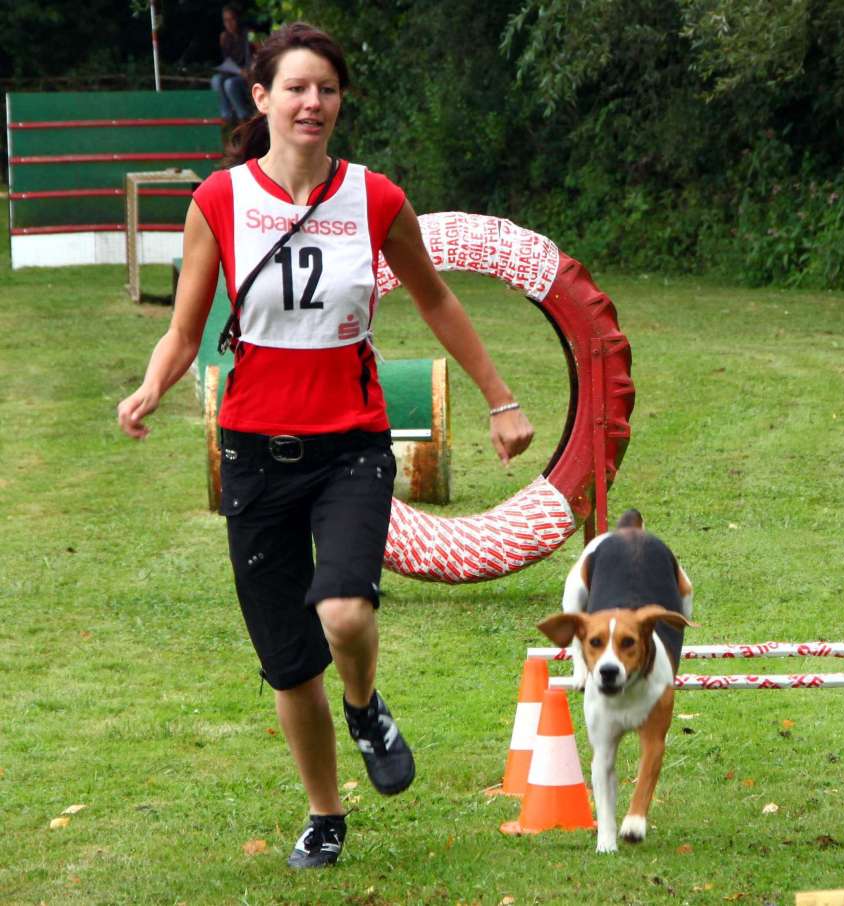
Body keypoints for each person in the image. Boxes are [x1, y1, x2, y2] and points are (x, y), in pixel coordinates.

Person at [117, 22, 534, 869]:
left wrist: (501, 398)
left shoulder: (375, 199)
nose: (314, 103)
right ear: (261, 97)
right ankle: (326, 814)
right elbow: (186, 327)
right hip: (252, 450)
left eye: (329, 90)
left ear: (341, 103)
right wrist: (153, 385)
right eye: (297, 88)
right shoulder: (218, 202)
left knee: (344, 611)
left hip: (351, 443)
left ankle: (366, 706)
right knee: (286, 661)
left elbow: (439, 302)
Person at [210, 6, 254, 125]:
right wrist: (238, 71)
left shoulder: (248, 34)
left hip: (247, 74)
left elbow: (256, 54)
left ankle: (243, 116)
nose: (229, 23)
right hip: (234, 72)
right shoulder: (224, 37)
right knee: (216, 80)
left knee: (230, 84)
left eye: (232, 19)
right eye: (225, 20)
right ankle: (226, 116)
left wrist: (249, 69)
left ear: (237, 19)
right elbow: (225, 62)